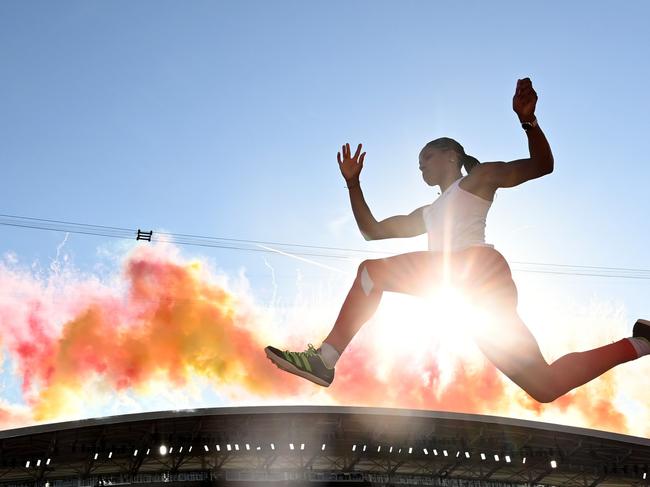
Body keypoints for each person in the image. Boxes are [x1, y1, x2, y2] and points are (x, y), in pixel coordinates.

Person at [264, 78, 650, 403]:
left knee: (373, 273)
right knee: (544, 386)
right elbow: (372, 230)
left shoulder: (476, 180)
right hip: (474, 300)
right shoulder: (428, 214)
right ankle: (641, 344)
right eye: (418, 166)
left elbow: (541, 166)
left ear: (451, 156)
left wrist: (529, 121)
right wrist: (353, 184)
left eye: (426, 159)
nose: (421, 168)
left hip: (475, 269)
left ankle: (325, 359)